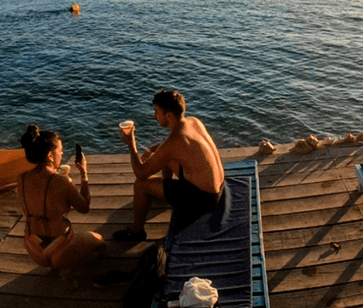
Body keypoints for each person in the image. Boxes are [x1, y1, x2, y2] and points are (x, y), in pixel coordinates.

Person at [113, 89, 225, 241]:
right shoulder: (193, 122)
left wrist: (131, 144)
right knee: (164, 157)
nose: (154, 116)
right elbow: (170, 149)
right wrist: (154, 149)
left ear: (169, 115)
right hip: (219, 188)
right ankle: (167, 190)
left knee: (141, 185)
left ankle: (136, 232)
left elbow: (140, 172)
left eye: (157, 112)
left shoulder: (174, 141)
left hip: (204, 201)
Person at [18, 125, 106, 287]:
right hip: (59, 249)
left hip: (33, 246)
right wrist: (84, 174)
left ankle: (54, 264)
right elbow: (84, 207)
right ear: (50, 156)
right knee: (100, 244)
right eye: (60, 150)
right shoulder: (62, 182)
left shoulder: (22, 178)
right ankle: (66, 269)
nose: (63, 153)